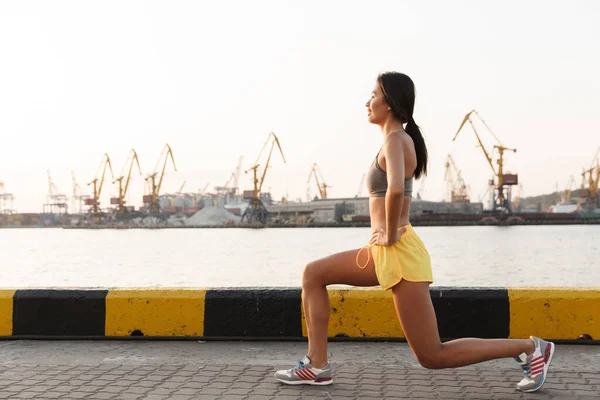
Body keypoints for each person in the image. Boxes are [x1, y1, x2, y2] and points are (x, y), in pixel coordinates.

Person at [274, 71, 555, 393]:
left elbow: (394, 190)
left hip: (399, 253)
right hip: (382, 252)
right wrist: (386, 237)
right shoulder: (395, 140)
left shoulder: (396, 140)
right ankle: (317, 366)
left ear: (390, 103)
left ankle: (531, 348)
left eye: (374, 95)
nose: (368, 102)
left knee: (433, 355)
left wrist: (391, 232)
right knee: (314, 273)